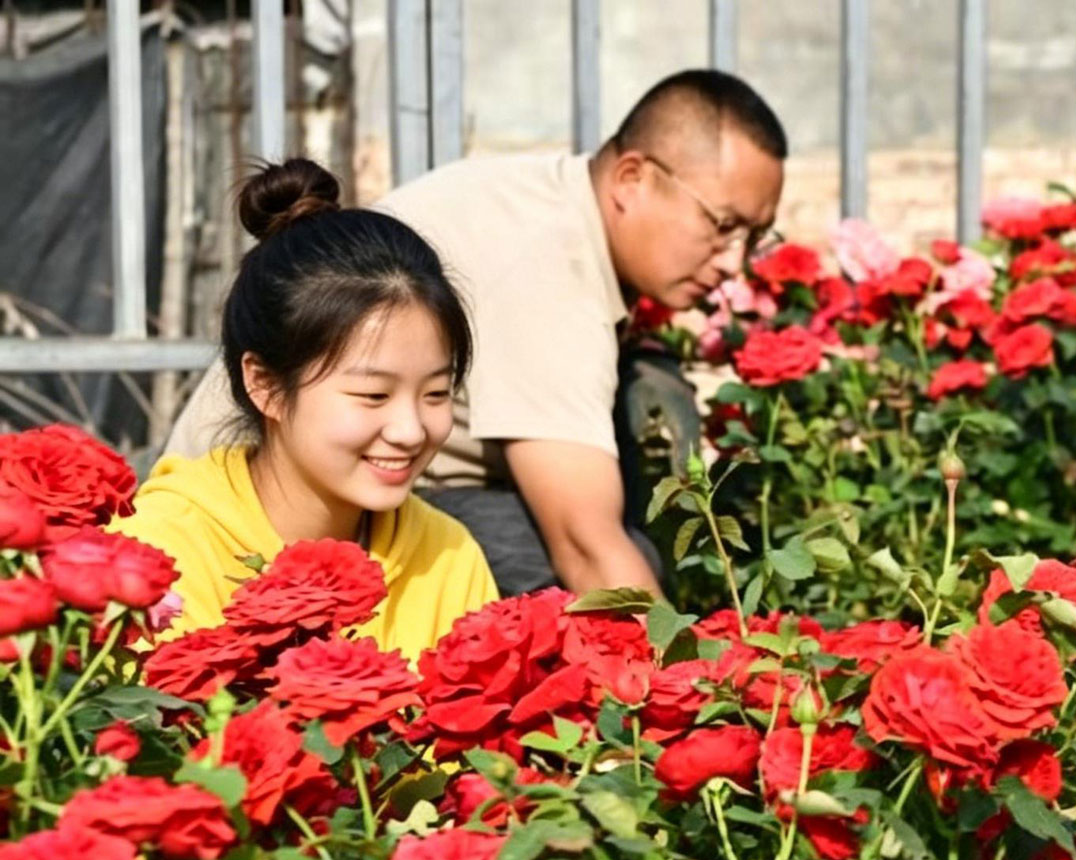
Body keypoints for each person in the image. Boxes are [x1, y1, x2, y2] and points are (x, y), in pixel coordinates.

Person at [165, 69, 788, 598]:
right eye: (723, 225)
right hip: (252, 518)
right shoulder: (552, 262)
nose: (735, 261)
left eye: (755, 238)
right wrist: (700, 711)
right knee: (576, 577)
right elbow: (587, 550)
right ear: (632, 179)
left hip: (355, 483)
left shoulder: (547, 204)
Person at [118, 159, 496, 658]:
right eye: (373, 396)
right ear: (265, 385)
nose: (410, 430)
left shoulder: (448, 556)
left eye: (436, 394)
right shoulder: (163, 552)